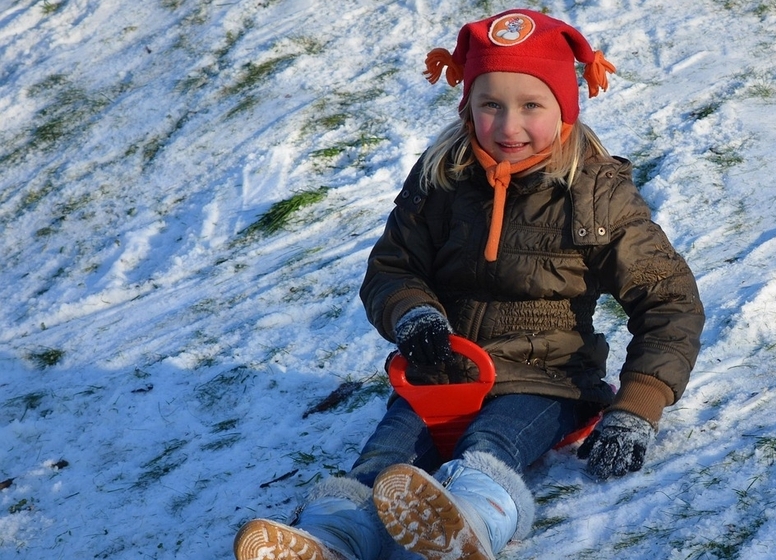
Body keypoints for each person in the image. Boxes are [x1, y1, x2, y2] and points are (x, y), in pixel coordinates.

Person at [233, 8, 704, 560]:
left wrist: (637, 406)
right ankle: (330, 539)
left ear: (565, 108)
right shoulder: (442, 179)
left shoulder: (596, 195)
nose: (508, 126)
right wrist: (413, 313)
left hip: (544, 377)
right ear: (469, 106)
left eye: (531, 106)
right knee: (382, 461)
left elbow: (667, 300)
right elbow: (393, 266)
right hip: (441, 371)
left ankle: (468, 529)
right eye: (490, 105)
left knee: (492, 446)